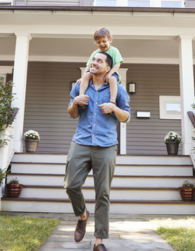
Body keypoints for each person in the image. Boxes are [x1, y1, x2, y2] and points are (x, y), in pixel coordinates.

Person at [66, 52, 131, 251]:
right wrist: (75, 102)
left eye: (99, 61)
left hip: (106, 145)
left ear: (108, 68)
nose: (94, 62)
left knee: (102, 193)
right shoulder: (80, 85)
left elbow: (126, 116)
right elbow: (72, 113)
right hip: (81, 142)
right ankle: (83, 214)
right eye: (93, 60)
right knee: (71, 185)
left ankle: (99, 241)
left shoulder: (117, 89)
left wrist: (114, 107)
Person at [77, 28, 123, 108]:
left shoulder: (114, 51)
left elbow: (117, 64)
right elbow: (88, 66)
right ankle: (82, 97)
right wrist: (83, 77)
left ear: (110, 40)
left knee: (112, 79)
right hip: (97, 73)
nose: (102, 44)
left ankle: (112, 101)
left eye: (104, 41)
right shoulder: (95, 53)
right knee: (86, 76)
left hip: (111, 72)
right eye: (99, 42)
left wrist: (109, 74)